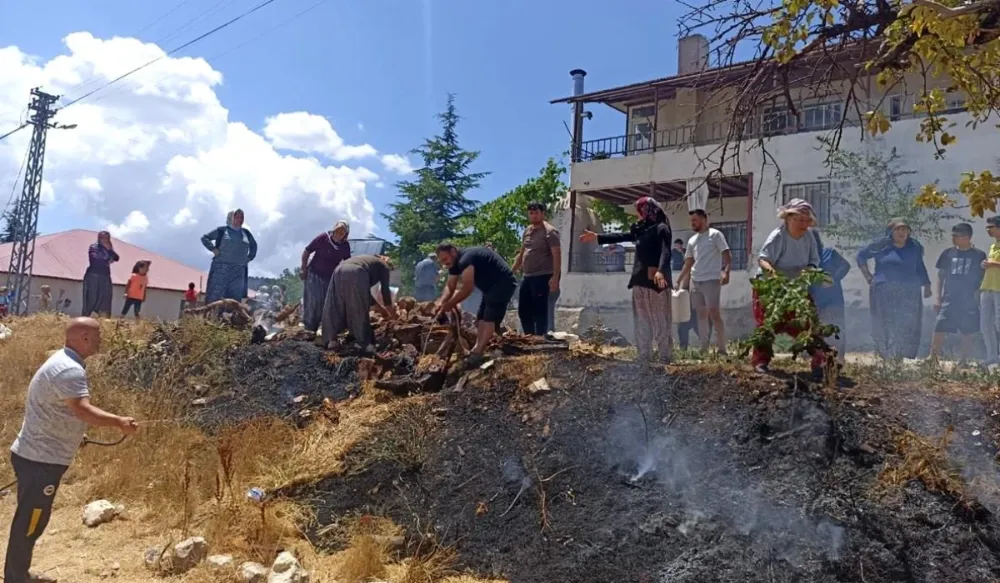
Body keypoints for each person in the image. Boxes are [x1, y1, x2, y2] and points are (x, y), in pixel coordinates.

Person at [4, 318, 138, 583]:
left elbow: (61, 409)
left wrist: (77, 435)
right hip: (40, 460)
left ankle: (18, 573)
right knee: (31, 521)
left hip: (36, 456)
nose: (102, 339)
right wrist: (118, 422)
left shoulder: (62, 361)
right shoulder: (69, 370)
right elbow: (82, 409)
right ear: (84, 337)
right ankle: (16, 577)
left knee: (31, 519)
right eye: (98, 334)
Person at [579, 197, 674, 364]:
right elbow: (622, 236)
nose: (637, 214)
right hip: (640, 280)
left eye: (640, 210)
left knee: (660, 320)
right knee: (642, 320)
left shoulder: (661, 228)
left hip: (656, 283)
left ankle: (665, 357)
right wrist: (598, 237)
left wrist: (660, 271)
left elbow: (666, 252)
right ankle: (644, 355)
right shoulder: (641, 230)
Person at [753, 199, 824, 375]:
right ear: (788, 218)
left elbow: (814, 262)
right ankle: (760, 362)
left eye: (806, 220)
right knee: (767, 324)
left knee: (808, 322)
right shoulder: (778, 236)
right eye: (799, 219)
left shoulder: (809, 237)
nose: (803, 224)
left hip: (797, 286)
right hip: (771, 285)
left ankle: (820, 363)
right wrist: (775, 278)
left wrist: (806, 272)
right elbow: (763, 260)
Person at [856, 218, 932, 360]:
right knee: (885, 322)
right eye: (898, 229)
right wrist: (868, 277)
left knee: (909, 322)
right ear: (890, 232)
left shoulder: (914, 246)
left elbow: (919, 266)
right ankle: (885, 355)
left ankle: (901, 356)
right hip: (884, 290)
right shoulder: (881, 245)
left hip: (910, 290)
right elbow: (860, 256)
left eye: (905, 229)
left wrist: (927, 285)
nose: (902, 232)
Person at [435, 243, 517, 366]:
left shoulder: (466, 259)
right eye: (442, 261)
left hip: (502, 283)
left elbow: (467, 288)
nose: (445, 263)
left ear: (453, 251)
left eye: (445, 259)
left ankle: (478, 353)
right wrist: (442, 302)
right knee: (480, 320)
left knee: (488, 320)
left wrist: (451, 303)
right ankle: (493, 345)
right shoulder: (454, 264)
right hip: (489, 288)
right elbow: (450, 286)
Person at [927, 223, 986, 363]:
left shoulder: (978, 255)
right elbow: (940, 276)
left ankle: (963, 360)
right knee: (939, 326)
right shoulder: (947, 253)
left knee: (967, 330)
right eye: (953, 235)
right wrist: (937, 298)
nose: (953, 238)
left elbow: (982, 278)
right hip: (949, 298)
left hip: (968, 300)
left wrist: (978, 299)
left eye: (956, 235)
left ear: (966, 237)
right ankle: (933, 357)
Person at [676, 209, 731, 353]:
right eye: (691, 221)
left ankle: (721, 348)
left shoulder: (715, 235)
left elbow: (726, 253)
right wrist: (679, 280)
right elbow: (688, 262)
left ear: (704, 219)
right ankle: (704, 346)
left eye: (695, 220)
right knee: (701, 314)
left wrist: (726, 271)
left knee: (714, 314)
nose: (692, 223)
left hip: (711, 280)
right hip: (696, 281)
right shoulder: (692, 240)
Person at [323, 255, 396, 352]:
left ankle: (332, 340)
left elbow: (366, 295)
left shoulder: (368, 260)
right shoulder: (384, 266)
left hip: (338, 270)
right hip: (356, 272)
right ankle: (362, 343)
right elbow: (385, 292)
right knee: (359, 309)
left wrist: (382, 310)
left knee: (336, 304)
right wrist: (393, 315)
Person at [512, 202, 562, 336]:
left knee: (540, 311)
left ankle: (540, 339)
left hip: (543, 275)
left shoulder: (550, 232)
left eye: (536, 213)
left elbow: (557, 255)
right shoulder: (527, 231)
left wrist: (555, 277)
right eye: (531, 213)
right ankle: (529, 338)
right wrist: (511, 272)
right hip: (527, 276)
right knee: (523, 310)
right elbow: (522, 253)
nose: (534, 216)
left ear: (542, 213)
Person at [300, 221, 351, 334]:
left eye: (342, 232)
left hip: (330, 277)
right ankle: (309, 328)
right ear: (334, 230)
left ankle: (322, 327)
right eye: (338, 231)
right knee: (314, 300)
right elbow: (307, 251)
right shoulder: (323, 238)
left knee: (326, 302)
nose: (339, 234)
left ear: (345, 235)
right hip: (314, 274)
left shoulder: (345, 246)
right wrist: (303, 268)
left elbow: (347, 262)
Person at [811, 229, 851, 366]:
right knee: (818, 333)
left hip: (834, 301)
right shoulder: (806, 260)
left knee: (836, 330)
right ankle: (820, 363)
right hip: (815, 303)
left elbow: (845, 266)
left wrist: (833, 278)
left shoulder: (829, 253)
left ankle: (838, 361)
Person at [201, 209, 257, 304]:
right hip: (221, 268)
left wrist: (249, 258)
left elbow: (254, 246)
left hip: (238, 270)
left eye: (241, 217)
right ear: (231, 218)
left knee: (234, 299)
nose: (240, 219)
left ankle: (230, 318)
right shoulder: (222, 231)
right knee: (216, 296)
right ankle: (213, 317)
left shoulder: (246, 233)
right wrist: (214, 249)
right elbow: (205, 238)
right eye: (237, 217)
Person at [82, 231, 119, 318]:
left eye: (107, 238)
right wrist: (107, 259)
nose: (105, 240)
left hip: (105, 276)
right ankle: (86, 319)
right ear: (99, 238)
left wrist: (109, 250)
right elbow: (94, 260)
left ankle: (103, 319)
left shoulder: (109, 249)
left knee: (105, 300)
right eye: (103, 238)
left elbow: (116, 258)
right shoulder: (94, 247)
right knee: (91, 299)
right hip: (93, 276)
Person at [980, 216, 1000, 368]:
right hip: (987, 287)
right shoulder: (993, 246)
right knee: (985, 324)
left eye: (991, 227)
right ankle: (991, 355)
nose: (988, 230)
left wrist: (994, 263)